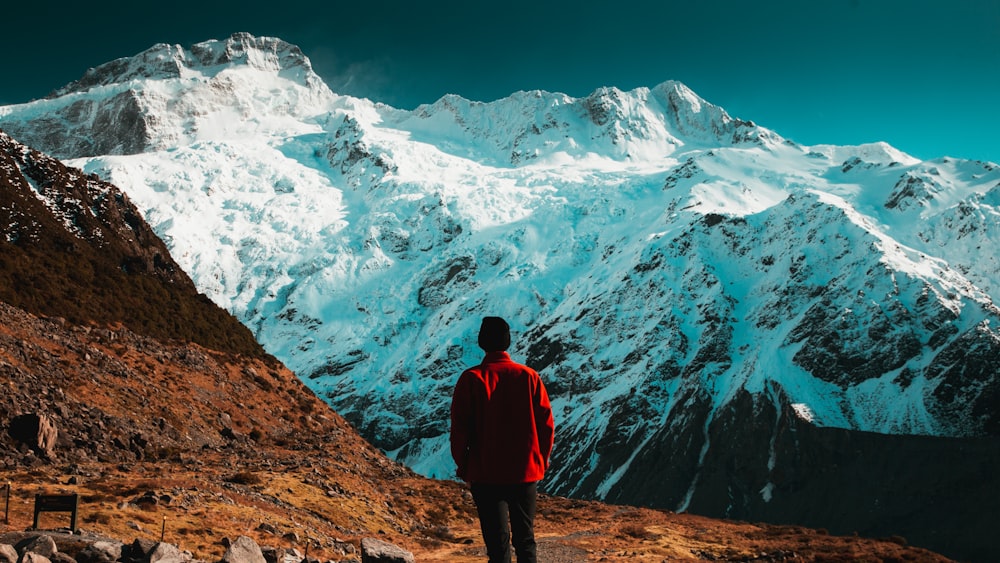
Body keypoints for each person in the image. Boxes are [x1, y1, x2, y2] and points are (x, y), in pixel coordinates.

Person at [450, 316, 555, 563]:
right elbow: (546, 425)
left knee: (497, 545)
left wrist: (464, 466)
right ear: (508, 342)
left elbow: (459, 430)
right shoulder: (529, 377)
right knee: (525, 540)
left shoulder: (471, 379)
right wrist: (541, 460)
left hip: (485, 475)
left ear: (481, 342)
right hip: (525, 473)